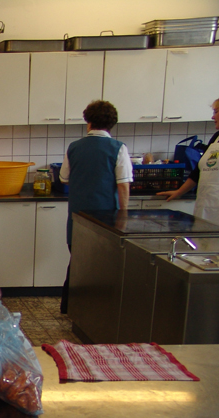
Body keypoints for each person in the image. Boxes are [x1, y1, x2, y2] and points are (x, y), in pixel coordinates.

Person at [58, 99, 133, 313]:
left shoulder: (74, 147)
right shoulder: (118, 148)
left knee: (78, 261)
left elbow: (64, 178)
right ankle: (98, 309)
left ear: (88, 122)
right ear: (112, 124)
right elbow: (123, 185)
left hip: (77, 217)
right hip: (106, 219)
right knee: (102, 267)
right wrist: (124, 216)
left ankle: (70, 307)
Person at [156, 97, 219, 224]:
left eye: (216, 112)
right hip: (205, 206)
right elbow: (198, 172)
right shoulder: (216, 138)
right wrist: (179, 192)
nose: (213, 117)